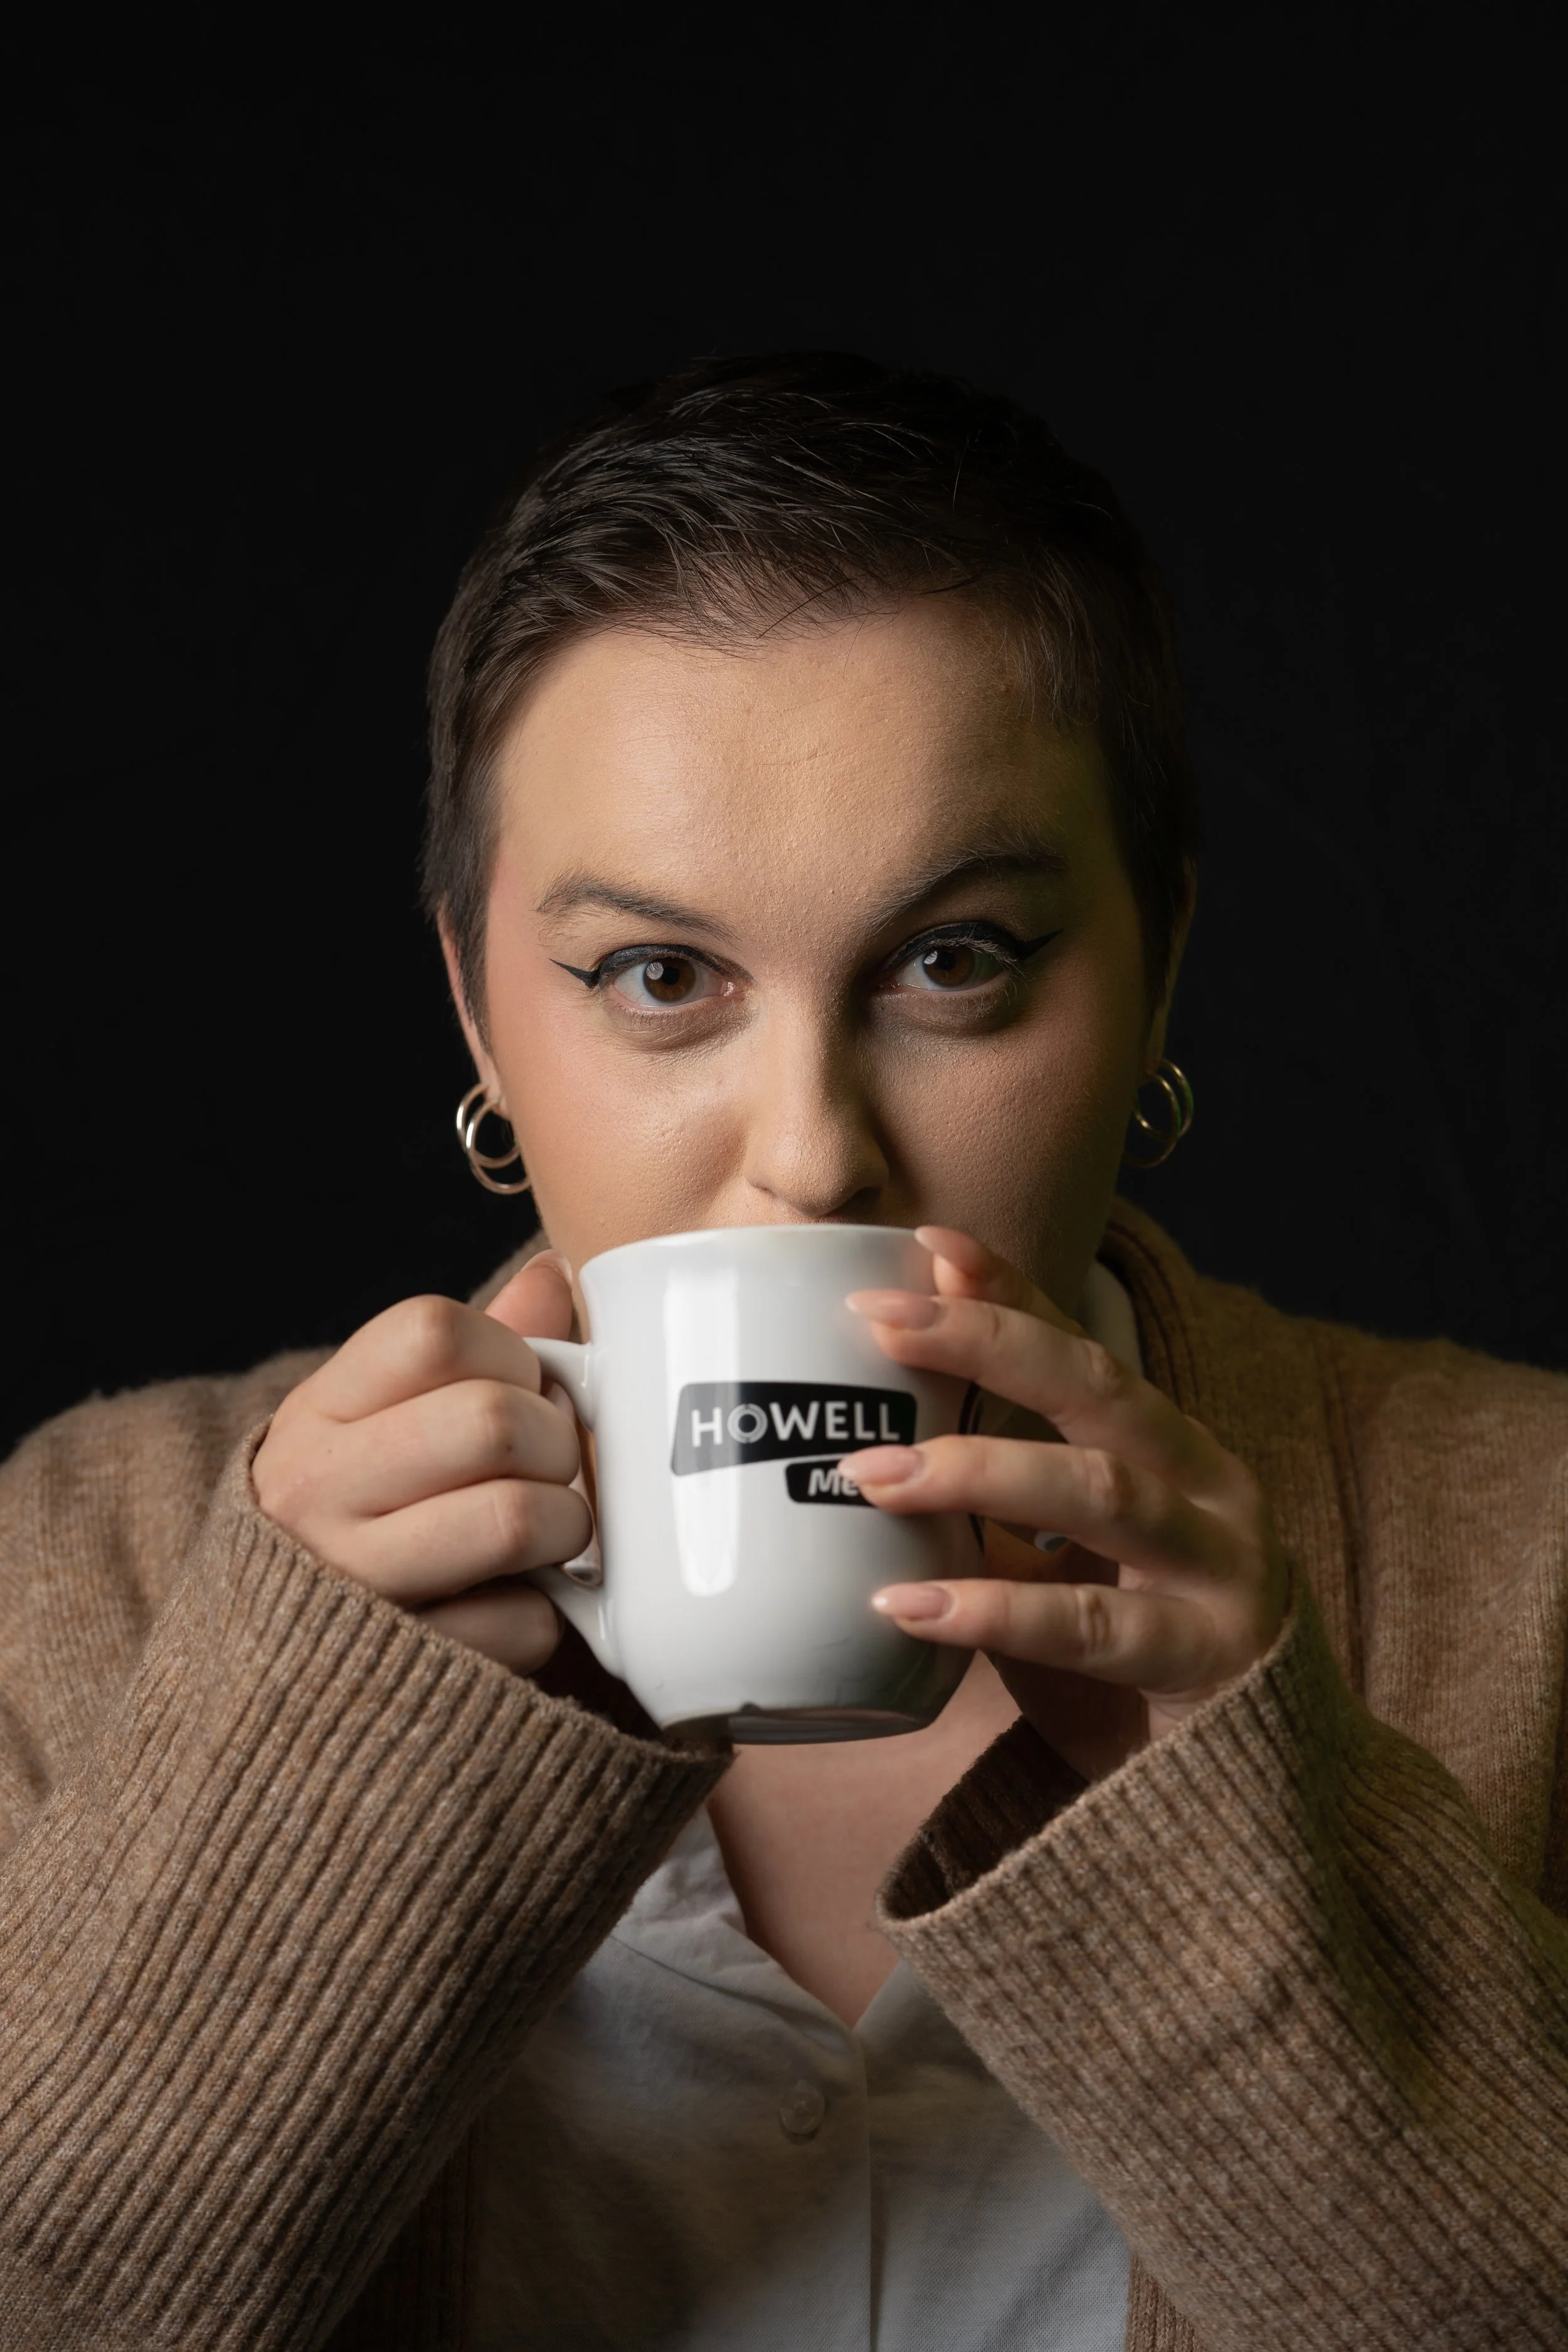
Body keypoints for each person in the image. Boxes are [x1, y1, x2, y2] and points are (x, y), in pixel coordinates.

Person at [1, 353, 1562, 2352]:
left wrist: (1269, 1862)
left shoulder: (1534, 1541)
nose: (813, 1143)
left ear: (1157, 959)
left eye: (951, 959)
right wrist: (310, 1789)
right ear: (479, 1001)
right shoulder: (89, 1558)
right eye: (660, 977)